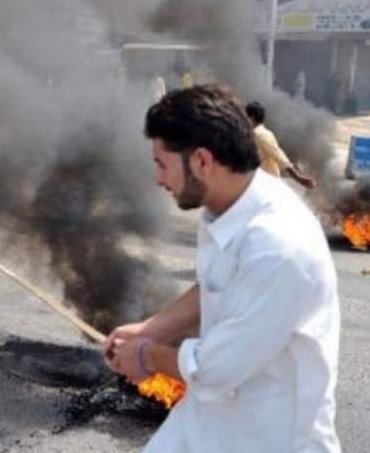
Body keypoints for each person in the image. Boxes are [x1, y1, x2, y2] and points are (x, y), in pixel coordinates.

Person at [104, 85, 341, 452]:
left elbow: (215, 370)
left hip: (266, 435)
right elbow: (214, 285)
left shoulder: (278, 248)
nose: (158, 179)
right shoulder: (226, 205)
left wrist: (145, 356)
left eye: (161, 164)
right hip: (211, 418)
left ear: (202, 161)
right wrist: (152, 329)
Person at [244, 101, 316, 189]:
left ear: (252, 118)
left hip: (266, 184)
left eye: (245, 116)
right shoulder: (262, 133)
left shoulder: (260, 135)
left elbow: (279, 156)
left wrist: (298, 177)